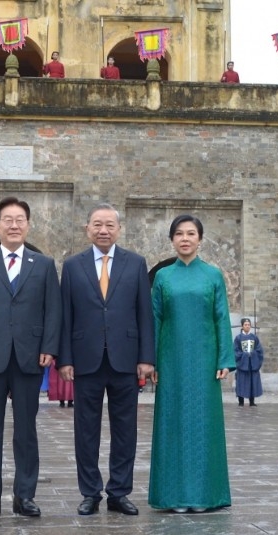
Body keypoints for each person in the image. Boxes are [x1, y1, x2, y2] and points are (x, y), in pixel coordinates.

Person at [0, 196, 62, 518]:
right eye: (8, 219)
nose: (14, 224)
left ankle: (25, 497)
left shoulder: (43, 264)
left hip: (29, 358)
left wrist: (49, 346)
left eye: (20, 219)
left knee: (26, 432)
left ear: (28, 225)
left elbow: (53, 310)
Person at [58, 203, 155, 516]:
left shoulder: (136, 263)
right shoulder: (73, 266)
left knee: (125, 430)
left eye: (109, 225)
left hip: (125, 360)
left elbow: (144, 313)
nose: (103, 230)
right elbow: (65, 315)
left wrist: (146, 357)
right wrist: (65, 359)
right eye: (97, 224)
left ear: (119, 229)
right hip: (85, 360)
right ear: (87, 228)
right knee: (85, 430)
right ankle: (89, 492)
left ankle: (119, 491)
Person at [148, 215, 234, 514]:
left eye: (191, 233)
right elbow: (154, 319)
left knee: (203, 424)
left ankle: (205, 495)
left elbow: (221, 317)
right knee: (172, 423)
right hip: (170, 360)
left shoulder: (212, 275)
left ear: (200, 239)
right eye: (179, 234)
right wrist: (152, 360)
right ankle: (171, 496)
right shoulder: (163, 277)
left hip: (204, 361)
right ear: (172, 239)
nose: (185, 238)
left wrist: (225, 357)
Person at [234, 318, 263, 407]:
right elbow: (236, 351)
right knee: (241, 382)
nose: (247, 326)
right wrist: (245, 355)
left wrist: (253, 354)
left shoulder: (254, 337)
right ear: (242, 326)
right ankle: (241, 401)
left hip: (252, 364)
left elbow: (259, 350)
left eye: (249, 325)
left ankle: (252, 401)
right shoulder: (238, 338)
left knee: (252, 382)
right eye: (245, 325)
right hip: (243, 365)